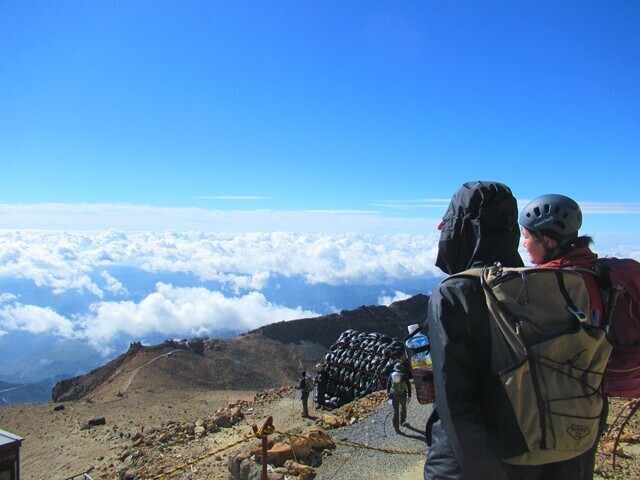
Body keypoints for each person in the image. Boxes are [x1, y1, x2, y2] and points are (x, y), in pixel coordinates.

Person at [424, 181, 525, 480]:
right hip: (544, 449)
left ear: (461, 229)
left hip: (472, 463)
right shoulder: (539, 284)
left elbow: (457, 405)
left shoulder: (454, 294)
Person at [519, 193, 608, 479]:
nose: (523, 243)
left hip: (553, 407)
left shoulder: (548, 285)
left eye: (527, 235)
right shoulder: (596, 271)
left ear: (549, 241)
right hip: (592, 399)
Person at [386, 361, 411, 433]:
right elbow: (408, 385)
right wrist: (409, 395)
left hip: (394, 396)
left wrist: (388, 394)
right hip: (403, 395)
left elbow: (388, 386)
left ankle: (396, 427)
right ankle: (402, 421)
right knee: (403, 408)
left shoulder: (391, 375)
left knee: (395, 411)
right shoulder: (404, 375)